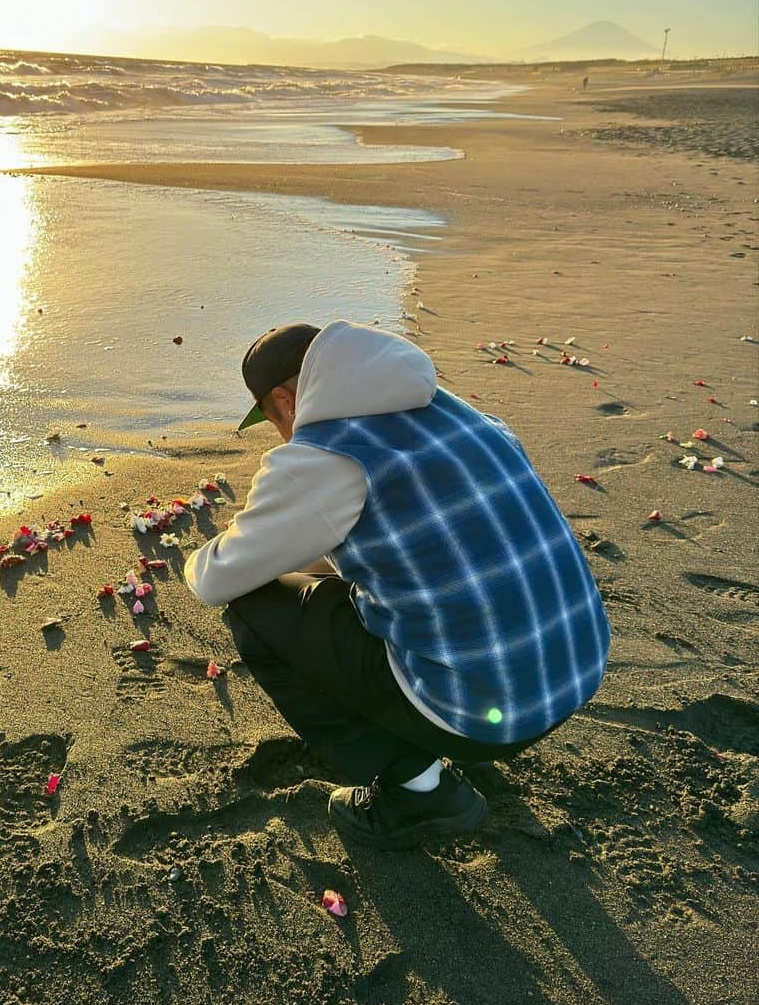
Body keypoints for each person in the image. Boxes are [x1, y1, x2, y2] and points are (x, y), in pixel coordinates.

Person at [184, 320, 611, 850]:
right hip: (573, 671)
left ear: (285, 400)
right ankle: (456, 735)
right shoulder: (453, 410)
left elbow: (216, 578)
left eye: (274, 421)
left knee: (252, 605)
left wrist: (205, 558)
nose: (281, 434)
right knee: (351, 587)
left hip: (487, 712)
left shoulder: (322, 453)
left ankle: (420, 788)